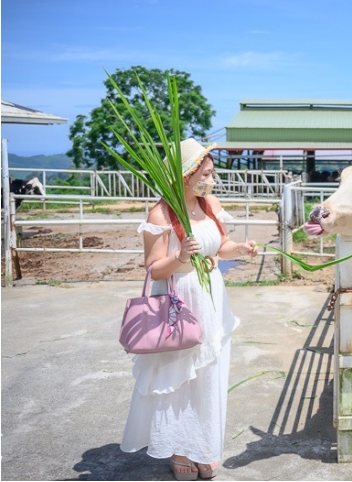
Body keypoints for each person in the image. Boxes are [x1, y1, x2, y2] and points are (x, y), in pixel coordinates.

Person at [121, 138, 258, 480]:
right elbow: (154, 268)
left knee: (210, 373)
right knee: (180, 375)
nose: (211, 180)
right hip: (180, 299)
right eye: (206, 173)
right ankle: (180, 448)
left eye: (212, 173)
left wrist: (239, 247)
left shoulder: (210, 204)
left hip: (212, 297)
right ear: (186, 174)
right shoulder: (161, 212)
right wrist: (181, 256)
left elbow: (221, 246)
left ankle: (202, 446)